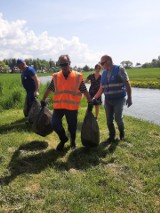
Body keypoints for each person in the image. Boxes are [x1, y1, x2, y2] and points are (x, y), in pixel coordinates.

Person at [41, 54, 92, 151]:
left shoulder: (77, 77)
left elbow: (84, 91)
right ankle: (63, 138)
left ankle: (73, 143)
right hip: (59, 107)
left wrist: (90, 102)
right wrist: (43, 100)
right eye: (61, 64)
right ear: (59, 65)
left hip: (72, 108)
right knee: (54, 124)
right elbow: (49, 89)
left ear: (70, 63)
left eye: (66, 64)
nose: (64, 66)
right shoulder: (56, 77)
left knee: (72, 127)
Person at [93, 55, 132, 142]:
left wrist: (130, 98)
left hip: (119, 99)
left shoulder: (119, 69)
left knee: (118, 118)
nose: (101, 65)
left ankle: (122, 133)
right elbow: (102, 88)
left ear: (108, 61)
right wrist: (94, 97)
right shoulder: (103, 73)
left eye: (102, 63)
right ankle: (112, 136)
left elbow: (127, 84)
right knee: (109, 119)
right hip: (108, 100)